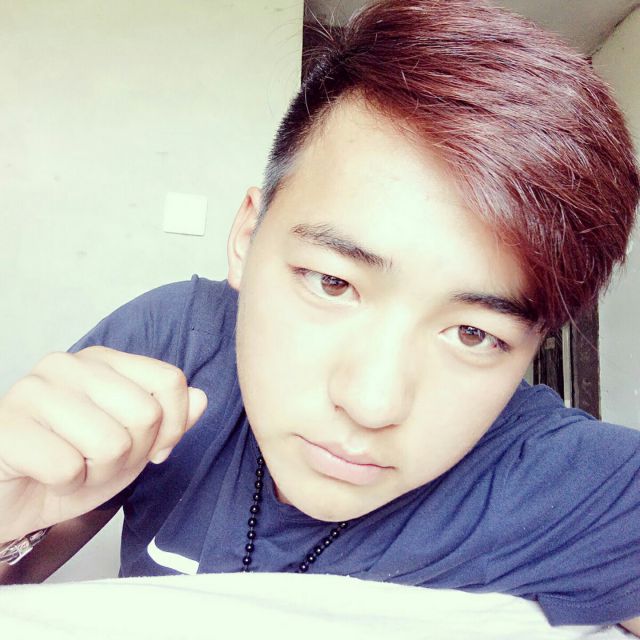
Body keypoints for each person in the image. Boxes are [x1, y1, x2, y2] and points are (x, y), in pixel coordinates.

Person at [1, 0, 639, 633]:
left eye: (474, 334)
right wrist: (10, 511)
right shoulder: (171, 344)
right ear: (247, 237)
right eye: (333, 283)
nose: (371, 404)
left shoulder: (573, 483)